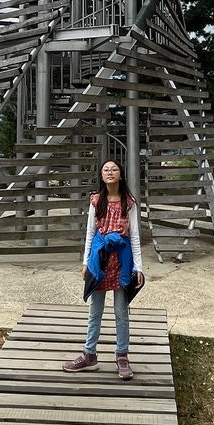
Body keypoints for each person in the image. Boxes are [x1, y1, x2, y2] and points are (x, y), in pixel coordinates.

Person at [62, 158, 144, 380]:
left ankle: (122, 355)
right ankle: (89, 354)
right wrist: (86, 263)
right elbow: (90, 233)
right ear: (101, 175)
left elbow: (135, 237)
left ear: (121, 174)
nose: (110, 172)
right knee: (95, 311)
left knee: (121, 313)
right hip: (100, 259)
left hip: (123, 260)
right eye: (106, 169)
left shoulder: (130, 203)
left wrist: (139, 267)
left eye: (114, 169)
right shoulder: (96, 201)